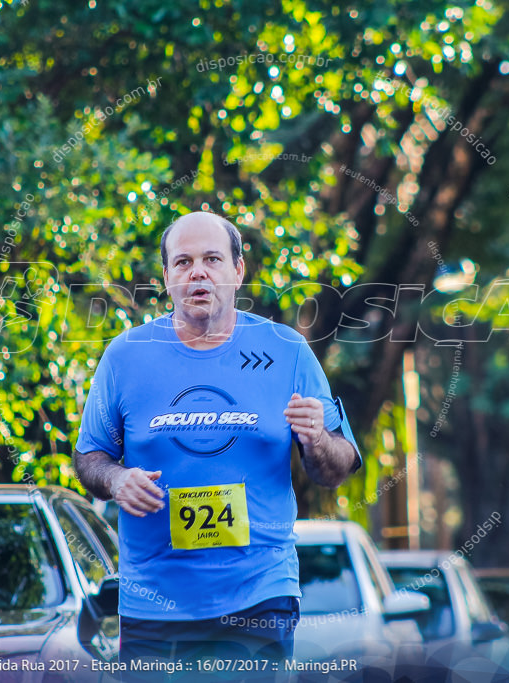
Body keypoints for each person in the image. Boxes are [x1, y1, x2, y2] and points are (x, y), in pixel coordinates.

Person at [73, 211, 361, 667]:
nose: (198, 272)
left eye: (212, 259)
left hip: (259, 594)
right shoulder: (126, 357)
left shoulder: (286, 351)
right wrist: (116, 479)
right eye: (183, 262)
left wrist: (318, 439)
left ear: (238, 270)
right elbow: (90, 458)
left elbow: (336, 468)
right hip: (154, 600)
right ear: (166, 276)